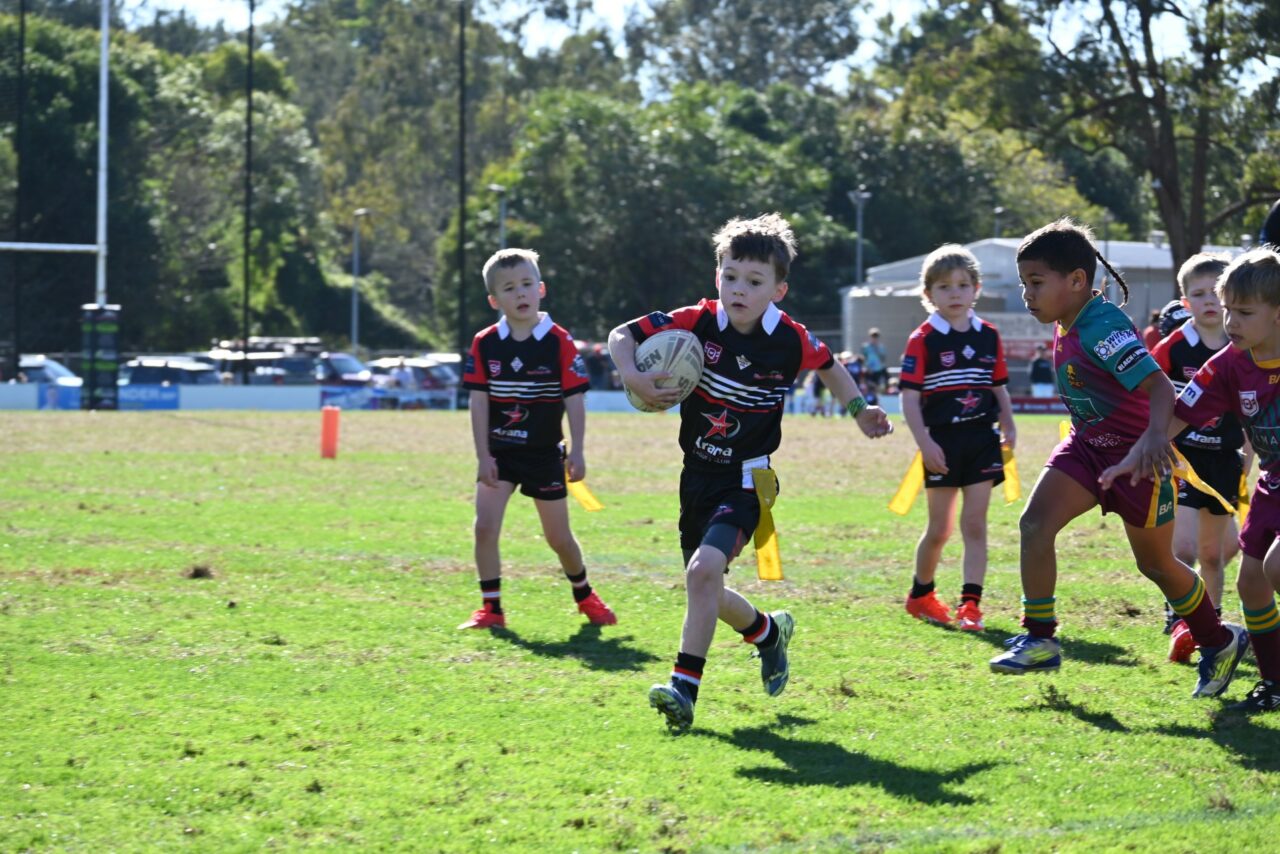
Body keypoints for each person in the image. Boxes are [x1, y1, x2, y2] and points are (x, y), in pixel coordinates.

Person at [608, 213, 892, 732]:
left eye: (755, 281)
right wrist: (633, 375)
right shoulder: (696, 321)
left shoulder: (789, 339)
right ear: (717, 275)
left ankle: (683, 689)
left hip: (748, 480)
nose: (739, 289)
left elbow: (829, 365)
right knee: (706, 588)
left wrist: (860, 410)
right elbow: (622, 335)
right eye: (731, 276)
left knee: (702, 573)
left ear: (778, 290)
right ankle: (767, 633)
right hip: (696, 475)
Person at [988, 218, 1248, 700]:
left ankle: (1219, 640)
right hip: (1087, 449)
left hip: (1137, 462)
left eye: (1036, 282)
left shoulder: (1102, 326)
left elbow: (1159, 387)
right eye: (1025, 283)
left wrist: (1153, 440)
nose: (1027, 294)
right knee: (1034, 525)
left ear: (1076, 280)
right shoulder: (1069, 319)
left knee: (1157, 565)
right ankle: (1040, 638)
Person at [1111, 247, 1280, 712]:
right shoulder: (1229, 364)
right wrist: (1134, 456)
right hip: (1272, 485)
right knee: (1250, 584)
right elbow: (1179, 414)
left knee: (1275, 568)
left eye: (1245, 313)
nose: (1231, 322)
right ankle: (1274, 683)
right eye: (1228, 310)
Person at [458, 248, 617, 631]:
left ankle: (585, 595)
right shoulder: (485, 343)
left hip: (544, 455)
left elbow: (574, 400)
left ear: (541, 289)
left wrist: (578, 451)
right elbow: (478, 402)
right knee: (484, 528)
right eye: (509, 288)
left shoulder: (558, 341)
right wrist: (482, 456)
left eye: (527, 284)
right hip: (500, 453)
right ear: (495, 300)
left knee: (558, 538)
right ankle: (491, 609)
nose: (520, 293)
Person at [898, 244, 1016, 631]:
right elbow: (909, 399)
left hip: (982, 439)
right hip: (942, 443)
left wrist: (1009, 423)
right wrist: (924, 443)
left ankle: (971, 605)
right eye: (945, 286)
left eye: (963, 285)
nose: (955, 293)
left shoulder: (988, 335)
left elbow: (998, 386)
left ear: (976, 289)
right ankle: (921, 594)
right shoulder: (923, 338)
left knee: (976, 525)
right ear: (928, 293)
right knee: (940, 529)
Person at [1150, 253, 1245, 661]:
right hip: (1181, 458)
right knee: (1184, 547)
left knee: (1213, 553)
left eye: (1214, 293)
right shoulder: (1173, 347)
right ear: (1185, 302)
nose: (1208, 301)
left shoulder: (1242, 342)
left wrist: (1250, 455)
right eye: (1198, 294)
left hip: (1224, 459)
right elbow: (1149, 391)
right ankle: (1179, 620)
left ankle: (1213, 624)